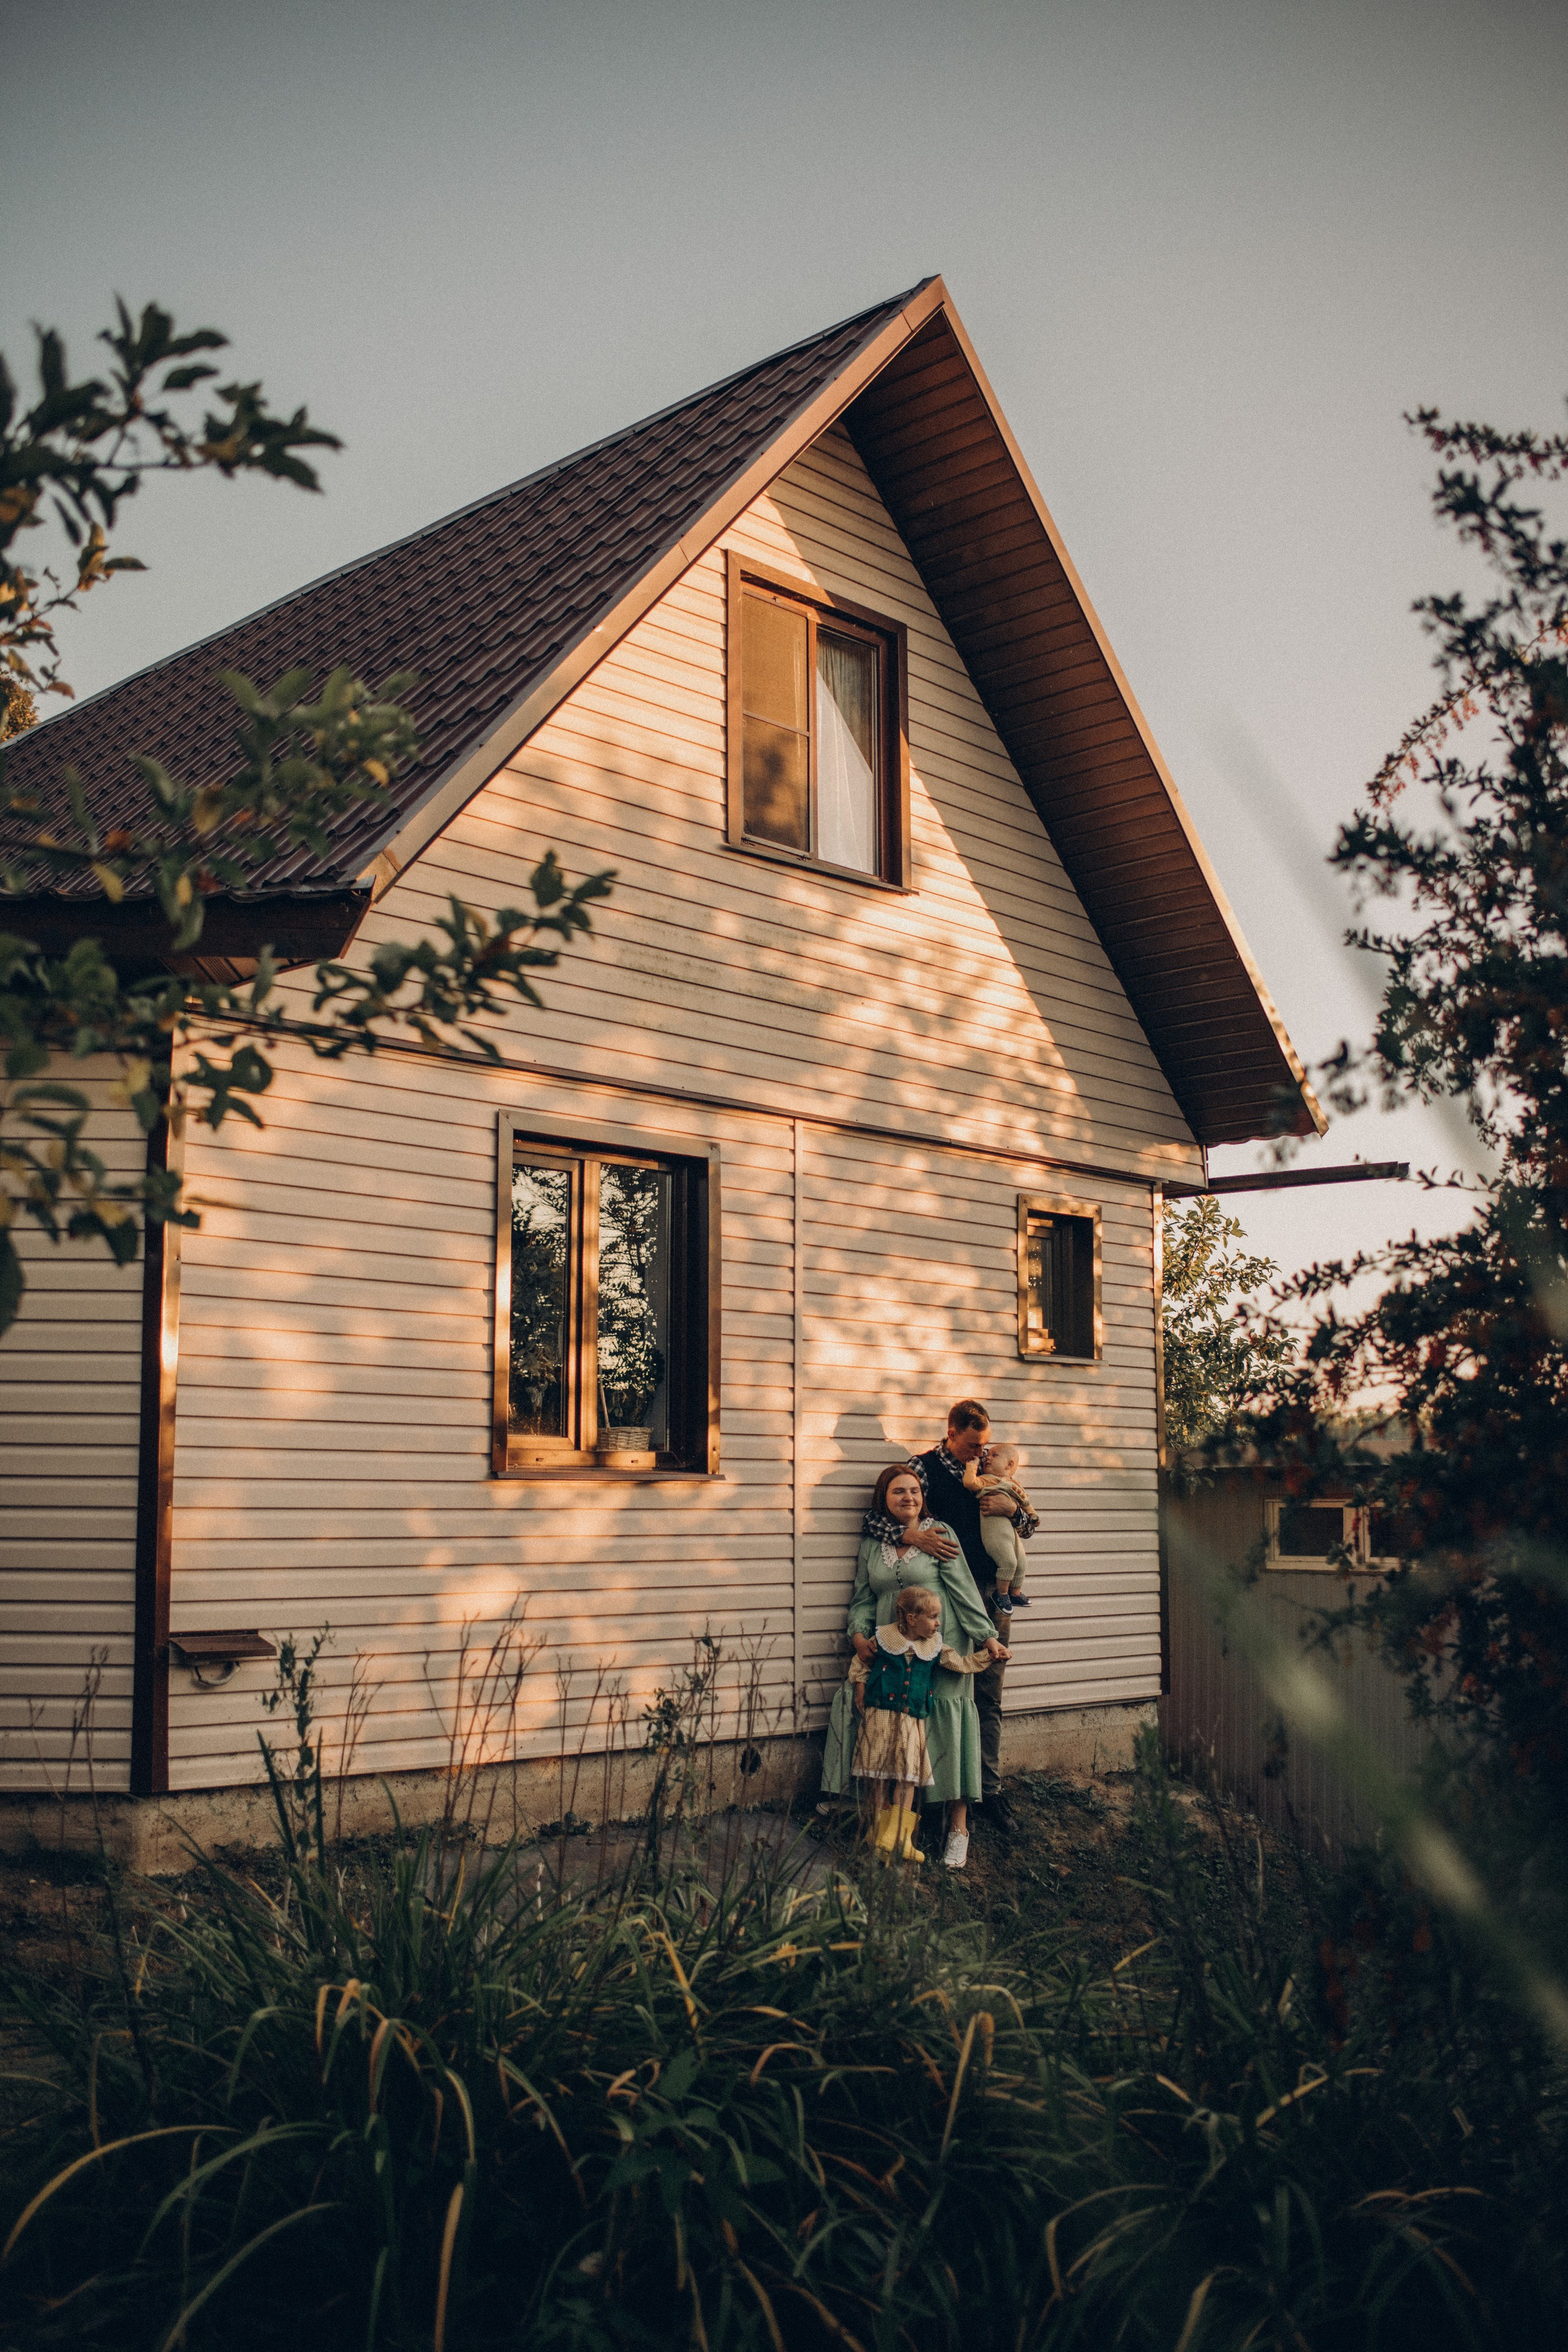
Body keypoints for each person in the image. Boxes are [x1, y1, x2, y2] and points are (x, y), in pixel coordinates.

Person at [861, 1400, 1038, 1828]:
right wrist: (912, 1537)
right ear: (951, 1433)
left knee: (989, 1691)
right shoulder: (922, 1468)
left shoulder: (994, 1470)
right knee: (948, 1691)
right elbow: (874, 1519)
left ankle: (988, 1791)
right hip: (949, 1598)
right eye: (973, 1445)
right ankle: (941, 1795)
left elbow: (1031, 1525)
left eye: (985, 1445)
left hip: (992, 1592)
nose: (981, 1452)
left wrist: (1014, 1513)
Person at [821, 1461, 1006, 1868]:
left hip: (942, 1642)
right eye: (898, 1492)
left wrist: (988, 1635)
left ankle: (958, 1829)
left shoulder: (939, 1534)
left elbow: (963, 1589)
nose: (908, 1498)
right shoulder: (874, 1543)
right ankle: (889, 1827)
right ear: (882, 1500)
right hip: (891, 1647)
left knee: (943, 1724)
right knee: (880, 1722)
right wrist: (857, 1635)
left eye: (915, 1492)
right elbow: (863, 1598)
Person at [848, 1584, 992, 1861]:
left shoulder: (935, 1647)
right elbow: (862, 1663)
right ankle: (878, 1834)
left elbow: (961, 1664)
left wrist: (989, 1655)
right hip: (879, 1715)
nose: (939, 1623)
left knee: (908, 1774)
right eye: (933, 1617)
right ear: (912, 1618)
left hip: (912, 1719)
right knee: (876, 1773)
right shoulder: (883, 1638)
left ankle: (900, 1837)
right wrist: (860, 1687)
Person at [962, 1441, 1035, 1608]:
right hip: (968, 1570)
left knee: (1021, 1562)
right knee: (1009, 1561)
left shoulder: (1011, 1483)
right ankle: (1001, 1595)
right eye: (974, 1443)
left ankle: (1013, 1594)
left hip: (1000, 1558)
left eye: (992, 1455)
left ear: (1009, 1464)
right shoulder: (985, 1476)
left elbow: (1028, 1529)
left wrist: (1012, 1510)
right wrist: (972, 1467)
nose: (984, 1456)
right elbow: (970, 1483)